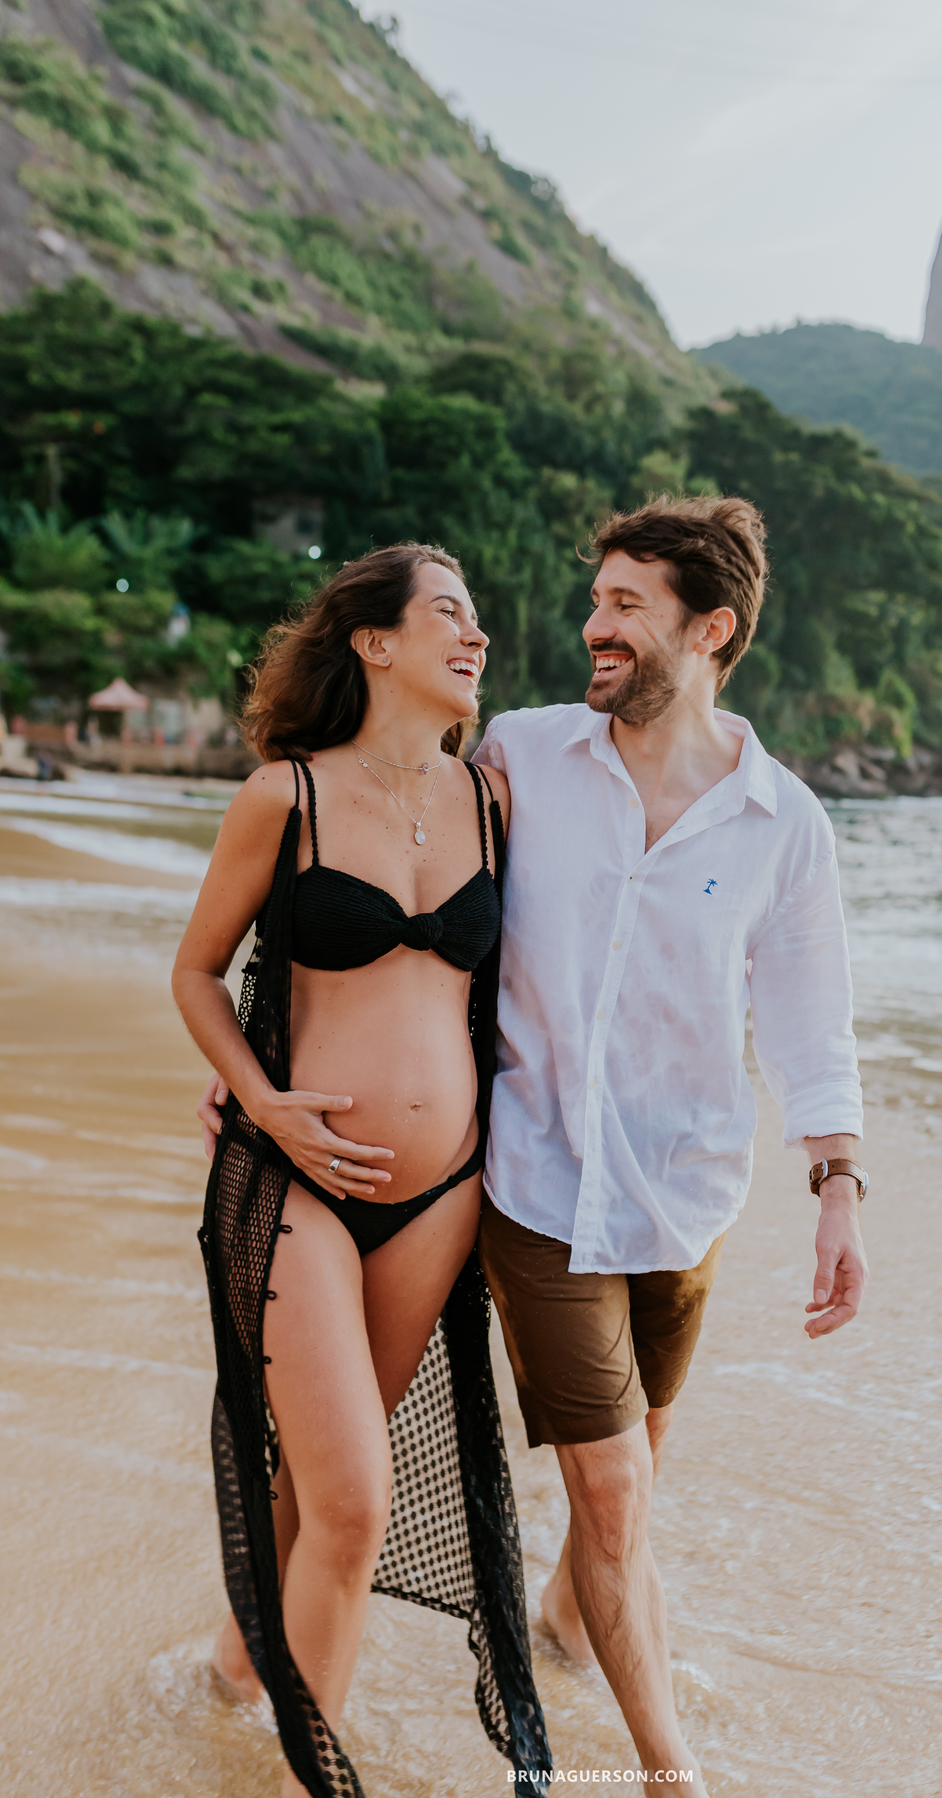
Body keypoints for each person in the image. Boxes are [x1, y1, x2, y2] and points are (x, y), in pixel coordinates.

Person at [470, 495, 867, 1793]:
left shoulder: (780, 822)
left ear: (712, 629)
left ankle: (560, 1625)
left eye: (626, 605)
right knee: (619, 1491)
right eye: (596, 599)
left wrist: (838, 1187)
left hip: (687, 1195)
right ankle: (667, 1769)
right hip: (533, 1179)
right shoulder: (521, 755)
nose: (595, 625)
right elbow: (391, 868)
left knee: (638, 1468)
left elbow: (811, 1020)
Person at [174, 544, 550, 1798]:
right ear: (374, 643)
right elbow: (195, 970)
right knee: (352, 1501)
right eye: (448, 612)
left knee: (316, 1472)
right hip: (299, 1182)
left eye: (479, 619)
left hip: (442, 1200)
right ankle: (314, 1780)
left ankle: (236, 1668)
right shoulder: (283, 797)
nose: (476, 635)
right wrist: (263, 1096)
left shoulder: (492, 802)